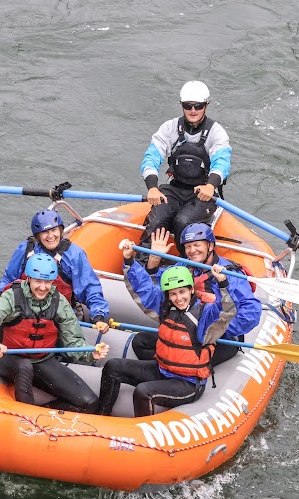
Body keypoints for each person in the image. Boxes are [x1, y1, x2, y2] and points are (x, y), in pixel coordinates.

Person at [96, 245, 235, 417]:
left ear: (192, 289)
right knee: (113, 366)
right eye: (173, 294)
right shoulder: (167, 309)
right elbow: (144, 288)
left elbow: (226, 311)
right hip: (162, 370)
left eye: (183, 292)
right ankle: (102, 415)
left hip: (188, 383)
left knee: (143, 391)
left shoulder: (205, 315)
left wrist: (223, 282)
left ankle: (142, 437)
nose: (179, 298)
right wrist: (129, 260)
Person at [0, 253, 110, 412]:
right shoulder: (12, 297)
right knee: (24, 367)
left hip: (41, 360)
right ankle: (25, 416)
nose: (43, 287)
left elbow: (73, 341)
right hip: (7, 357)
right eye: (38, 281)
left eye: (47, 282)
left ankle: (45, 413)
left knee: (90, 402)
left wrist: (89, 354)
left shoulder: (60, 303)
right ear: (29, 278)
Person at [131, 223, 262, 366]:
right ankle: (163, 372)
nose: (192, 251)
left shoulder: (230, 274)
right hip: (187, 329)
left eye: (197, 245)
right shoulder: (185, 266)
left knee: (181, 357)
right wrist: (154, 261)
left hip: (219, 338)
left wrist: (210, 330)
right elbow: (160, 286)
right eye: (188, 246)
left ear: (210, 246)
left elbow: (251, 313)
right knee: (140, 342)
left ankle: (176, 374)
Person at [137, 80, 232, 258]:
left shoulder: (216, 132)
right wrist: (152, 187)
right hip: (175, 188)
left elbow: (222, 162)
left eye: (198, 106)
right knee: (157, 218)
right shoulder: (170, 128)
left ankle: (186, 266)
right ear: (182, 106)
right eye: (188, 106)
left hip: (203, 193)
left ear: (206, 106)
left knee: (183, 221)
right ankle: (144, 264)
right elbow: (151, 157)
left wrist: (211, 185)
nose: (193, 111)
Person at [0, 208, 110, 333]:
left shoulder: (74, 254)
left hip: (60, 317)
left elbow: (90, 288)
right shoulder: (25, 249)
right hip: (23, 315)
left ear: (60, 230)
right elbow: (9, 278)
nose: (51, 236)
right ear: (38, 235)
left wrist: (98, 316)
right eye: (45, 232)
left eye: (54, 230)